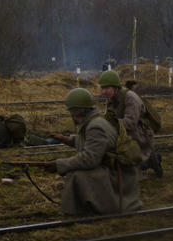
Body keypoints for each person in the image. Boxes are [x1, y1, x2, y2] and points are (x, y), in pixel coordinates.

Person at [44, 88, 142, 216]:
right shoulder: (94, 121)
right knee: (75, 172)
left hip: (116, 176)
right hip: (112, 170)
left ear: (76, 111)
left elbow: (89, 159)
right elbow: (92, 143)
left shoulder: (95, 126)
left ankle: (82, 211)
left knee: (76, 175)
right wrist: (67, 139)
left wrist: (59, 164)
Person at [98, 70, 162, 177]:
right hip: (126, 132)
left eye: (107, 88)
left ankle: (149, 160)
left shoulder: (130, 98)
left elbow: (130, 123)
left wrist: (111, 124)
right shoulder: (112, 99)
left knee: (130, 172)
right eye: (102, 88)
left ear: (115, 87)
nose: (104, 91)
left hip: (140, 134)